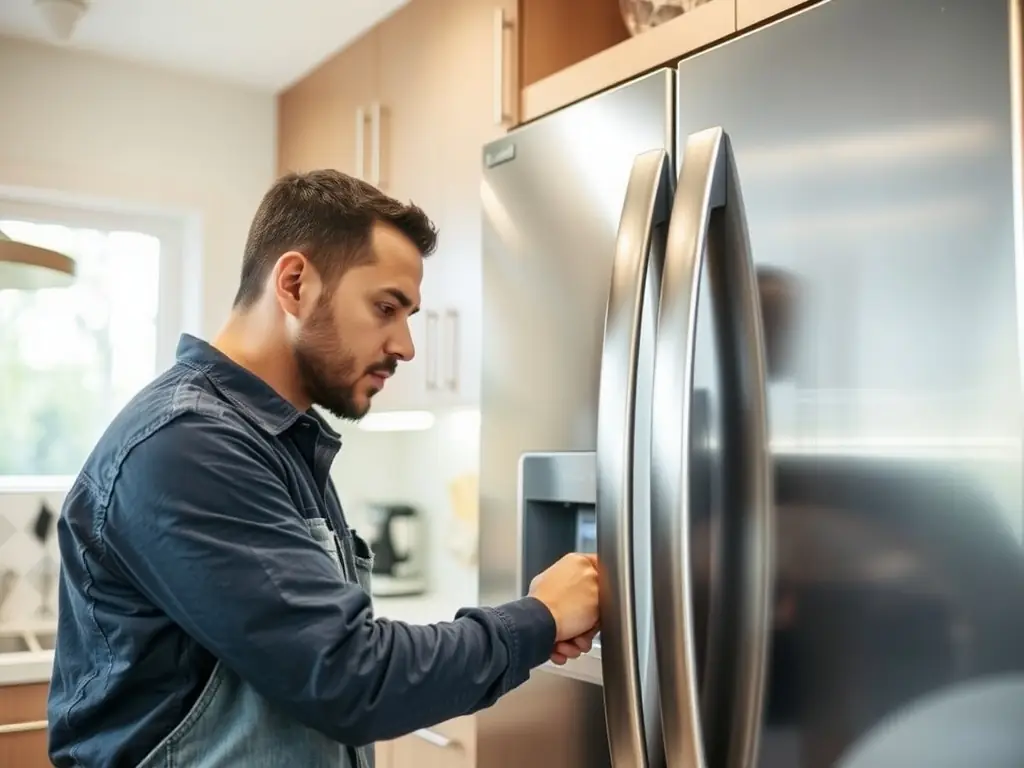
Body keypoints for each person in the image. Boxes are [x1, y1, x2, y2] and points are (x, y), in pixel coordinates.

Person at [47, 170, 601, 768]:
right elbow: (348, 677)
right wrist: (538, 619)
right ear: (294, 284)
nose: (407, 346)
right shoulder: (189, 444)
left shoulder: (278, 440)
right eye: (386, 307)